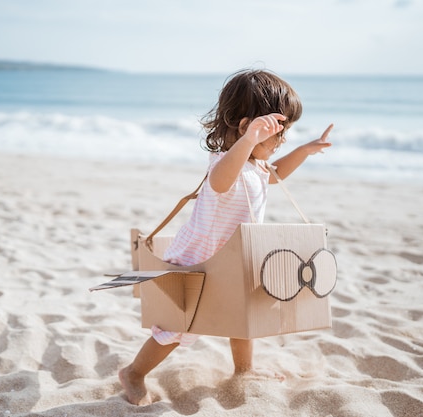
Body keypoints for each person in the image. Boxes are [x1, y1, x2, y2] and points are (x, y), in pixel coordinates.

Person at [119, 69, 334, 406]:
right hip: (199, 259)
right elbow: (219, 182)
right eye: (278, 132)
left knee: (242, 314)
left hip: (234, 259)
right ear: (247, 127)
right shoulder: (225, 161)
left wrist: (304, 151)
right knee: (179, 327)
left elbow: (275, 176)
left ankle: (244, 370)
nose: (282, 140)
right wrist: (249, 140)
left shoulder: (258, 165)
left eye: (286, 133)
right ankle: (134, 372)